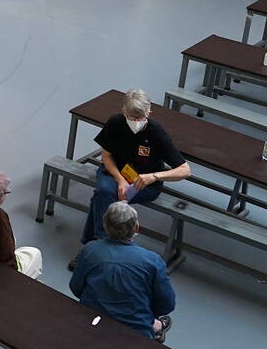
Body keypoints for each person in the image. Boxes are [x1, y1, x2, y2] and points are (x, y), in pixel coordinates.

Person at [80, 90, 192, 250]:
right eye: (131, 117)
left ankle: (92, 247)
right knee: (104, 192)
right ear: (123, 111)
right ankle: (101, 246)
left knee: (102, 198)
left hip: (144, 183)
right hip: (115, 173)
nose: (135, 121)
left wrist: (154, 176)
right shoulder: (115, 123)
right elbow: (106, 156)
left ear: (149, 113)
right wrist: (120, 180)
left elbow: (185, 170)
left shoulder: (156, 133)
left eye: (140, 118)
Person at [70, 201, 176, 341]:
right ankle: (155, 325)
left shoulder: (90, 250)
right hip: (135, 330)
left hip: (91, 319)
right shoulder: (153, 261)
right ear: (136, 228)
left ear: (105, 225)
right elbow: (167, 304)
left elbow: (76, 287)